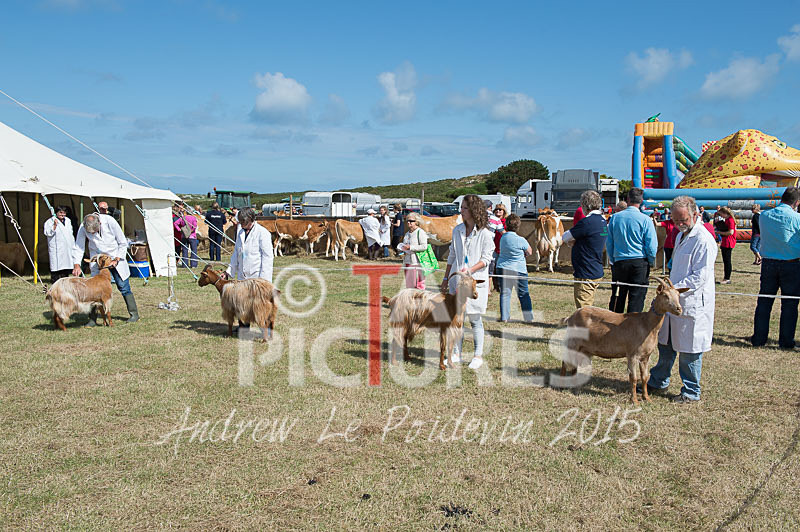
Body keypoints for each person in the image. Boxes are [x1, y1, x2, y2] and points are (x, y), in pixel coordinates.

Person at [648, 195, 717, 404]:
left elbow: (699, 276)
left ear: (696, 214)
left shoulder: (704, 240)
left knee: (689, 350)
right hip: (674, 301)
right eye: (675, 220)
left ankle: (691, 391)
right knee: (666, 343)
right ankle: (659, 380)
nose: (679, 224)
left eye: (683, 220)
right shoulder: (680, 236)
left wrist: (673, 289)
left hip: (691, 302)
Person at [440, 194, 494, 370]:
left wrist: (470, 270)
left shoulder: (486, 234)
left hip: (474, 282)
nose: (461, 211)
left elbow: (486, 259)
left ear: (473, 210)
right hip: (457, 280)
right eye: (461, 207)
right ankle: (456, 352)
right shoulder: (457, 231)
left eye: (464, 208)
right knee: (457, 319)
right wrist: (446, 278)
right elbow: (452, 256)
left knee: (475, 319)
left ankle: (478, 355)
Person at [751, 187, 800, 349]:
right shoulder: (797, 218)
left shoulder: (764, 216)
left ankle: (759, 338)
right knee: (789, 304)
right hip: (791, 264)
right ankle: (786, 341)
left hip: (768, 263)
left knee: (764, 302)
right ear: (797, 202)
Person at [72, 213, 139, 324]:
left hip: (115, 258)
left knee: (123, 287)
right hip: (98, 261)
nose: (93, 234)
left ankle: (134, 314)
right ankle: (92, 319)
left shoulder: (110, 221)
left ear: (100, 223)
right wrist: (76, 265)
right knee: (93, 290)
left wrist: (116, 259)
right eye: (91, 233)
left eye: (95, 231)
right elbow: (79, 246)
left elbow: (123, 242)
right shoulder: (83, 227)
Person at [606, 188, 657, 313]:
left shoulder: (615, 218)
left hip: (620, 262)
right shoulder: (645, 220)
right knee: (636, 299)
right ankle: (633, 328)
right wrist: (650, 261)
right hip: (639, 263)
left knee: (617, 297)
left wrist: (613, 260)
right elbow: (651, 246)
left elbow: (609, 242)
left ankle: (613, 326)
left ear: (627, 199)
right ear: (641, 201)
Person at [562, 190, 607, 309]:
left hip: (586, 271)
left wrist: (573, 242)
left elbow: (565, 236)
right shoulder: (602, 221)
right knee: (588, 306)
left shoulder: (587, 222)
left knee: (584, 309)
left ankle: (584, 328)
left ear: (585, 205)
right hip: (595, 268)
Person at [495, 214, 533, 322]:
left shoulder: (503, 238)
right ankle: (528, 318)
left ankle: (504, 317)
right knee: (523, 294)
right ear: (518, 226)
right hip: (519, 269)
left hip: (502, 267)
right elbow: (529, 251)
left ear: (506, 225)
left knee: (505, 293)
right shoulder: (521, 240)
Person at [225, 207, 273, 282]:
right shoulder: (240, 233)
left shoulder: (263, 233)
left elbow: (267, 258)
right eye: (240, 222)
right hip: (242, 278)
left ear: (250, 220)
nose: (240, 224)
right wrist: (228, 272)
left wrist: (264, 281)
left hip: (257, 278)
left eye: (243, 222)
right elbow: (236, 253)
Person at [44, 205, 76, 283]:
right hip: (57, 247)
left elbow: (70, 232)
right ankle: (55, 280)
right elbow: (47, 233)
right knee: (56, 265)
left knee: (66, 264)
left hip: (67, 246)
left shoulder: (68, 220)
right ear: (56, 213)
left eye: (64, 213)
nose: (63, 214)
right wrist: (54, 225)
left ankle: (65, 279)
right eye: (61, 213)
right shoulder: (50, 221)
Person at [397, 212, 428, 289]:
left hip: (418, 261)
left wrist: (411, 247)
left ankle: (420, 299)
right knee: (409, 285)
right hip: (408, 261)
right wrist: (402, 250)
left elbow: (424, 246)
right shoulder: (407, 233)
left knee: (420, 285)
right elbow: (405, 246)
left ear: (416, 222)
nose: (408, 222)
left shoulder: (420, 232)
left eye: (411, 221)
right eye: (407, 220)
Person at [487, 204, 507, 292]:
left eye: (500, 209)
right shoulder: (491, 220)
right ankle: (494, 287)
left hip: (502, 248)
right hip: (494, 247)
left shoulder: (505, 221)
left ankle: (502, 286)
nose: (498, 211)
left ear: (504, 211)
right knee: (492, 268)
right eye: (497, 209)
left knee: (501, 268)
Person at [717, 206, 736, 284]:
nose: (721, 216)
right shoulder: (727, 220)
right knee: (725, 260)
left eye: (721, 214)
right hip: (725, 241)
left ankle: (727, 278)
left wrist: (720, 232)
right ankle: (726, 277)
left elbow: (730, 232)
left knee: (727, 261)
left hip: (729, 242)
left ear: (725, 213)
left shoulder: (730, 220)